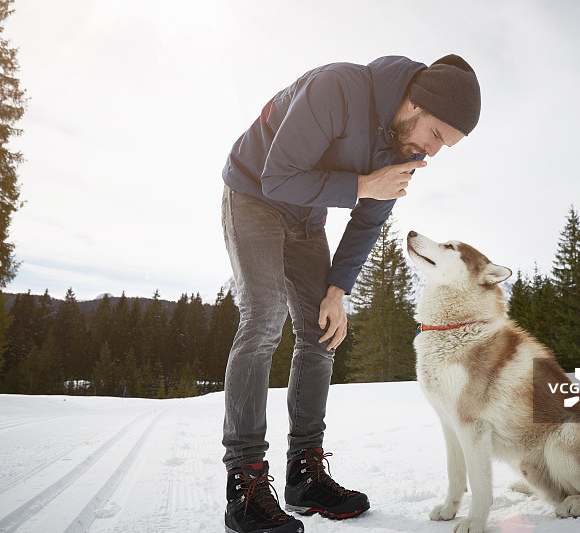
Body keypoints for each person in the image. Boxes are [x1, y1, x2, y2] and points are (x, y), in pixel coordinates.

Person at [220, 54, 481, 533]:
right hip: (253, 194)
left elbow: (367, 222)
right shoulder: (338, 88)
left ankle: (304, 473)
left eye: (447, 146)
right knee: (263, 317)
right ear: (416, 104)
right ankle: (246, 483)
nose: (432, 152)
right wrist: (363, 183)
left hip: (306, 218)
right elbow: (277, 175)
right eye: (437, 135)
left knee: (322, 331)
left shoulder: (406, 149)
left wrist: (337, 291)